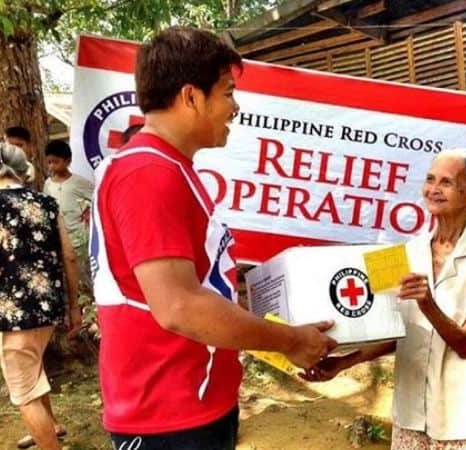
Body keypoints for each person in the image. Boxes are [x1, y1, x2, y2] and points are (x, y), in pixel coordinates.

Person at [91, 27, 336, 450]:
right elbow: (178, 306)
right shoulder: (148, 174)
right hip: (168, 415)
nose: (234, 107)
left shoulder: (170, 167)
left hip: (192, 402)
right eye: (227, 92)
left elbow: (197, 287)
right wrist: (290, 341)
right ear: (190, 96)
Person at [303, 149, 466, 449]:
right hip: (411, 412)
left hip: (464, 416)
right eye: (430, 179)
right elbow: (395, 332)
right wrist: (343, 362)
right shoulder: (408, 253)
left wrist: (428, 304)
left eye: (447, 182)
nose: (434, 189)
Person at [0, 143, 82, 450]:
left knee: (24, 392)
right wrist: (74, 306)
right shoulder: (45, 202)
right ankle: (52, 425)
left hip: (13, 314)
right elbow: (69, 256)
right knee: (34, 369)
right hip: (49, 307)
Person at [43, 140, 94, 282]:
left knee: (82, 274)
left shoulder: (78, 182)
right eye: (49, 162)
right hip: (58, 238)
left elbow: (97, 198)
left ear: (68, 161)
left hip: (79, 239)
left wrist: (88, 213)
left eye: (56, 162)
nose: (52, 166)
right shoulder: (48, 184)